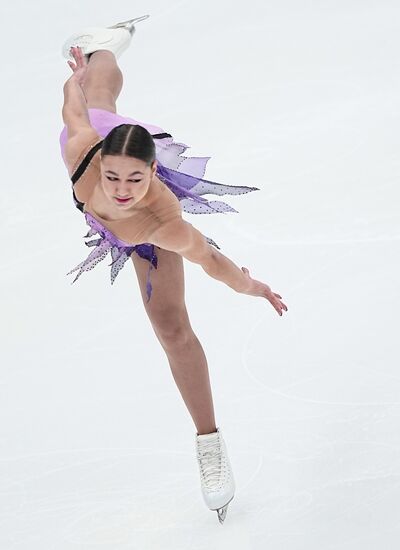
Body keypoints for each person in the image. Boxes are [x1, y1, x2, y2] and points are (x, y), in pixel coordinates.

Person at [60, 15, 288, 524]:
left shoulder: (163, 221)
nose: (121, 188)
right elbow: (73, 108)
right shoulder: (81, 148)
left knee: (172, 327)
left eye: (135, 178)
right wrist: (74, 78)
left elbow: (211, 260)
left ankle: (210, 444)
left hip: (141, 237)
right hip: (95, 134)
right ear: (99, 162)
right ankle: (104, 46)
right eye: (114, 176)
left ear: (153, 173)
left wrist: (251, 286)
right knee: (94, 92)